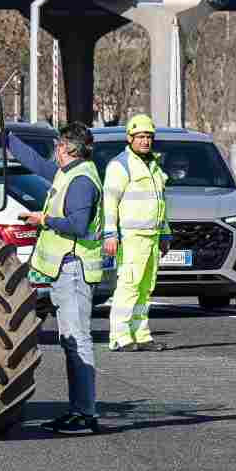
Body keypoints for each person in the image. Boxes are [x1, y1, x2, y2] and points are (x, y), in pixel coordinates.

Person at [6, 123, 103, 435]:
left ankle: (85, 414)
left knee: (78, 342)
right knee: (70, 341)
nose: (55, 151)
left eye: (59, 145)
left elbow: (76, 224)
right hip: (66, 270)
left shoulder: (82, 180)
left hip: (74, 269)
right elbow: (36, 164)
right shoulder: (68, 173)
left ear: (68, 148)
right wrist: (4, 137)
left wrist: (42, 219)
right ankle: (78, 411)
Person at [102, 114, 171, 352]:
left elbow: (161, 203)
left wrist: (165, 233)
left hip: (151, 237)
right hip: (131, 237)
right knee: (129, 286)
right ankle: (119, 337)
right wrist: (110, 234)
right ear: (129, 138)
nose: (145, 141)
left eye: (149, 137)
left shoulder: (153, 165)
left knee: (145, 288)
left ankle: (141, 335)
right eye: (141, 136)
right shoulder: (120, 165)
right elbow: (109, 202)